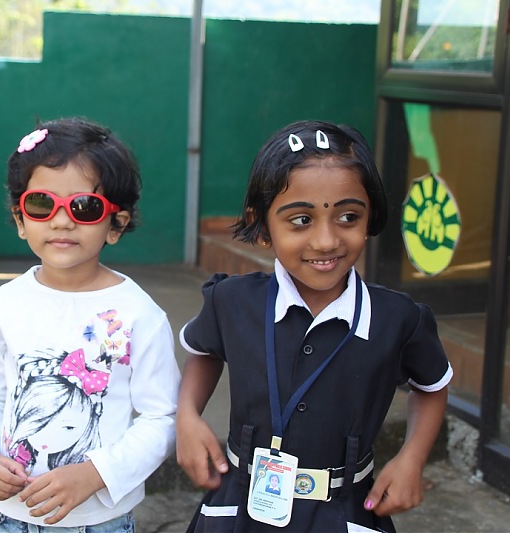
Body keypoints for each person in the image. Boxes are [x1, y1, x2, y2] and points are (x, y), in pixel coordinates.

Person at [176, 119, 452, 532]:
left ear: (369, 216)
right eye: (300, 220)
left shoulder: (399, 319)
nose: (326, 241)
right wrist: (186, 416)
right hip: (239, 507)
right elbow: (206, 353)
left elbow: (432, 387)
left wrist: (412, 458)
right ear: (262, 225)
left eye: (348, 217)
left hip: (345, 513)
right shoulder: (231, 301)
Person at [0, 117, 181, 532]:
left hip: (100, 522)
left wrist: (94, 474)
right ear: (21, 218)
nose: (61, 221)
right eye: (42, 205)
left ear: (115, 224)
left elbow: (162, 419)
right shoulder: (2, 305)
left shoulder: (139, 314)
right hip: (8, 516)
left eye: (84, 207)